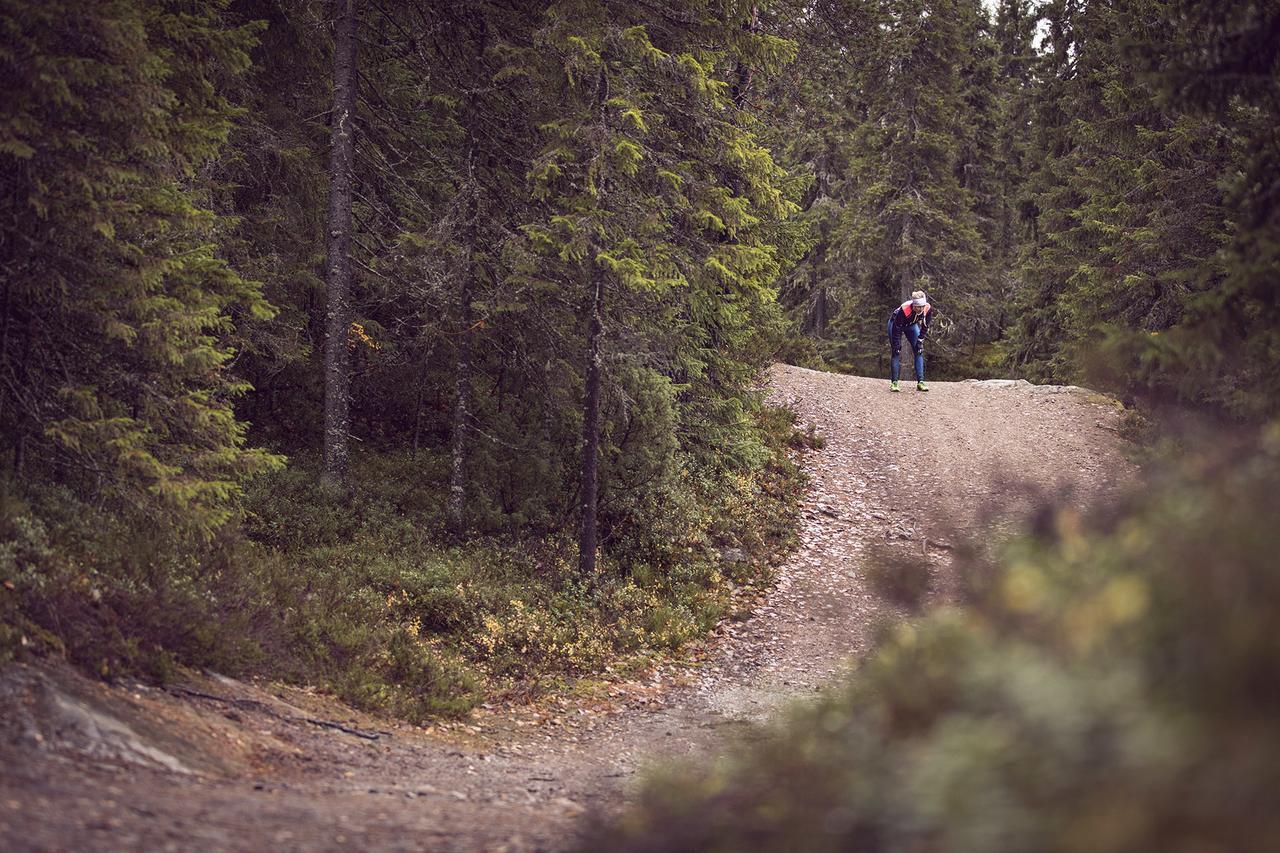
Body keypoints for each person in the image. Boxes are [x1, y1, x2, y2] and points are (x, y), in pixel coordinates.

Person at [887, 290, 931, 392]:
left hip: (911, 325)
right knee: (896, 351)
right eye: (917, 307)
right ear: (913, 305)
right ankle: (894, 383)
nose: (920, 309)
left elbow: (925, 326)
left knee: (919, 350)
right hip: (895, 324)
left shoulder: (927, 309)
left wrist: (920, 340)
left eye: (922, 306)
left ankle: (920, 382)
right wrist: (897, 344)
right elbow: (897, 329)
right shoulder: (904, 309)